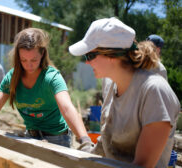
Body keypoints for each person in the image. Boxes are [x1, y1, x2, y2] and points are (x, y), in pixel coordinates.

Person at [0, 28, 90, 147]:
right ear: (18, 58)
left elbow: (67, 109)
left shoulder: (52, 77)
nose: (29, 65)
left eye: (34, 60)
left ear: (42, 54)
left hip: (58, 138)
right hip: (30, 136)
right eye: (23, 60)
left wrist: (85, 141)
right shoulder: (12, 78)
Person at [69, 17, 180, 168]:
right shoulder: (109, 82)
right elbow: (109, 139)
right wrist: (88, 151)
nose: (87, 62)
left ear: (112, 55)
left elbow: (142, 165)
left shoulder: (154, 91)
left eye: (90, 55)